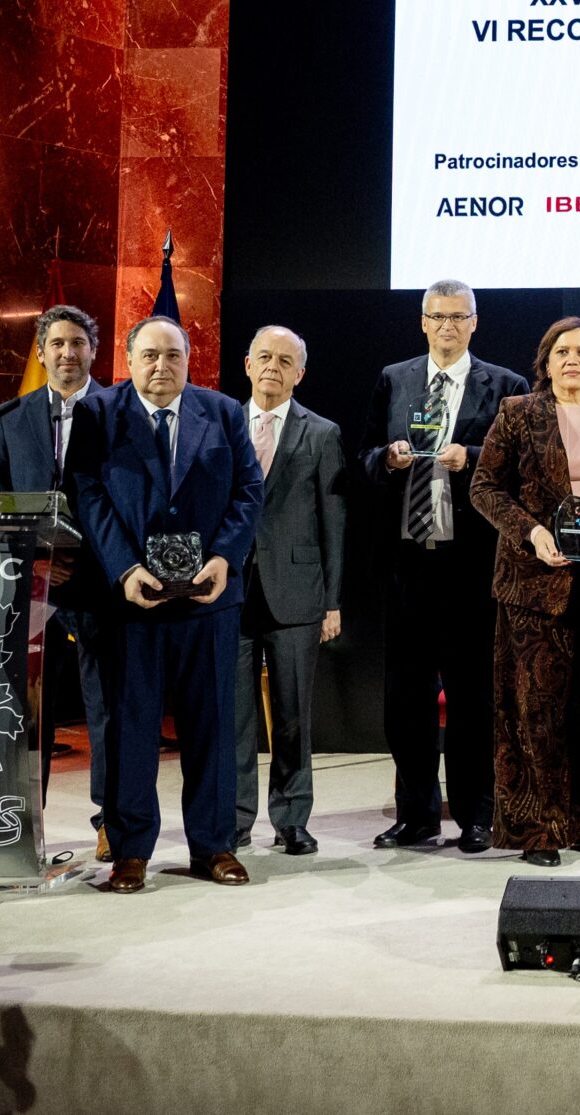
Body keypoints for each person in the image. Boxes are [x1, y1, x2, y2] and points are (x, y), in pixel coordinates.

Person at [74, 316, 264, 892]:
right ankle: (130, 849)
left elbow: (249, 489)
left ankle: (214, 846)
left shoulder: (223, 412)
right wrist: (124, 568)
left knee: (213, 727)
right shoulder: (98, 413)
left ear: (189, 359)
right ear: (129, 360)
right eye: (150, 355)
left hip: (209, 598)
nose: (162, 365)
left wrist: (225, 557)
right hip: (132, 602)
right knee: (131, 729)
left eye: (173, 355)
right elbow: (87, 493)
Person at [364, 280, 527, 853]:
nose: (448, 326)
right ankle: (416, 815)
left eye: (459, 317)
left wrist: (473, 456)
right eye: (438, 317)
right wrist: (387, 458)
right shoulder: (395, 379)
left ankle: (477, 815)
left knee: (473, 698)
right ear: (423, 321)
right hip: (410, 563)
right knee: (406, 700)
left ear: (475, 322)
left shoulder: (506, 386)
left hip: (472, 566)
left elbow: (523, 470)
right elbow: (363, 457)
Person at [471, 318, 580, 867]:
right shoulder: (518, 412)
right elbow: (484, 488)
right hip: (532, 585)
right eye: (562, 351)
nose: (572, 360)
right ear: (546, 361)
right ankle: (538, 832)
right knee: (535, 713)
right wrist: (533, 533)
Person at [0, 304, 113, 857]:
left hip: (102, 585)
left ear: (93, 351)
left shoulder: (121, 412)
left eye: (78, 343)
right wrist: (34, 561)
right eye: (56, 343)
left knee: (107, 708)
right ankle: (21, 826)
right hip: (32, 587)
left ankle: (112, 822)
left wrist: (90, 559)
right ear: (40, 352)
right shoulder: (8, 421)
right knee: (28, 710)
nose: (67, 353)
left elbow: (135, 502)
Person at [230, 326, 347, 856]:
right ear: (247, 365)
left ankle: (292, 819)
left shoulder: (321, 433)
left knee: (293, 715)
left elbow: (334, 522)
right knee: (234, 718)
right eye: (264, 357)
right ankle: (234, 821)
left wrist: (332, 601)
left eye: (284, 361)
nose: (272, 367)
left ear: (299, 373)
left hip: (298, 594)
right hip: (229, 592)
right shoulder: (222, 424)